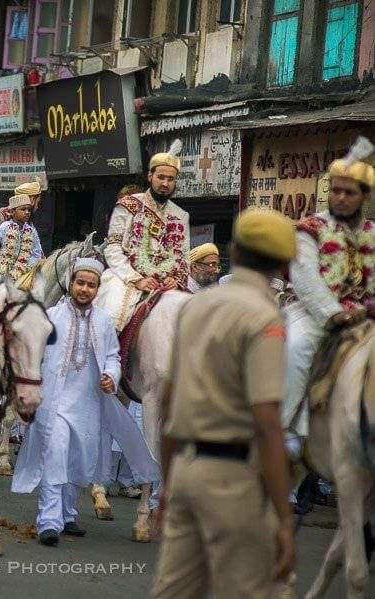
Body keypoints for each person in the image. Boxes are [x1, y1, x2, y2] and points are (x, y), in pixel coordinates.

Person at [151, 208, 297, 598]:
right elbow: (267, 420)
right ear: (283, 264)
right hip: (232, 479)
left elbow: (168, 401)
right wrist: (284, 516)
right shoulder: (264, 316)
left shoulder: (195, 306)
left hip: (185, 469)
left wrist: (167, 486)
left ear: (233, 251)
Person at [12, 257, 159, 546]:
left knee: (77, 461)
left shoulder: (104, 321)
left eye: (92, 285)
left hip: (87, 403)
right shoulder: (51, 316)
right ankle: (48, 522)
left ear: (97, 289)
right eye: (80, 283)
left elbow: (113, 357)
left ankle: (67, 515)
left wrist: (110, 375)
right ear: (70, 283)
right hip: (53, 401)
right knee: (55, 456)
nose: (85, 289)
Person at [282, 144, 374, 443]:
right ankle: (281, 431)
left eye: (349, 193)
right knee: (296, 347)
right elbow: (305, 279)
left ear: (365, 196)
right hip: (314, 314)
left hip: (364, 317)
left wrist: (367, 309)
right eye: (336, 191)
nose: (341, 198)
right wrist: (333, 313)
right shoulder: (309, 228)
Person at [95, 140, 190, 331]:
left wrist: (176, 278)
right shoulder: (128, 204)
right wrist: (136, 279)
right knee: (112, 314)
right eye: (160, 177)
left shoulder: (181, 215)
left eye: (170, 179)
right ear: (150, 176)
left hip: (165, 282)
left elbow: (183, 256)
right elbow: (113, 248)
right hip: (126, 276)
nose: (165, 183)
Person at [0, 194, 44, 283]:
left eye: (29, 210)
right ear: (12, 212)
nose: (27, 212)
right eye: (23, 209)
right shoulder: (4, 227)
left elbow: (36, 254)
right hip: (0, 273)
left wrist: (24, 267)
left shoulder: (32, 231)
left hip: (24, 274)